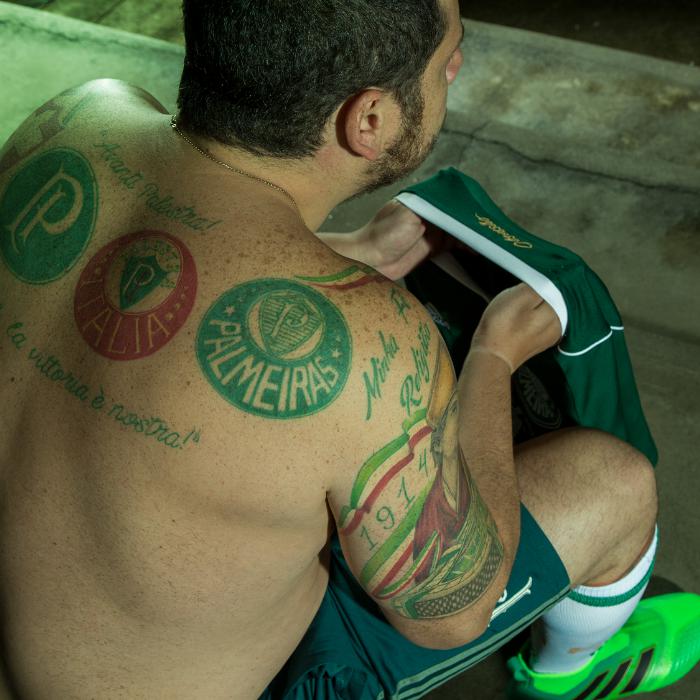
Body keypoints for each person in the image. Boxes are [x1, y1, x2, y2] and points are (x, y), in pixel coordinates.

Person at [0, 0, 697, 698]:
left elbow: (148, 262)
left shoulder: (74, 122)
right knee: (613, 482)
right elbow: (451, 612)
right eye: (446, 57)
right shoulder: (370, 340)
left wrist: (357, 252)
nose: (454, 67)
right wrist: (493, 357)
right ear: (369, 119)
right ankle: (562, 672)